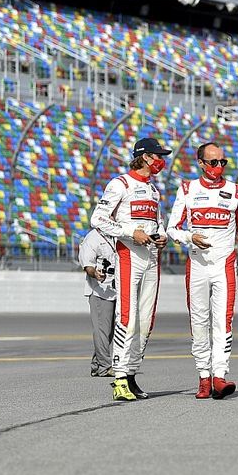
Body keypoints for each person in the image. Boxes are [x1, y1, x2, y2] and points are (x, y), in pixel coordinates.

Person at [166, 141, 238, 400]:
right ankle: (203, 377)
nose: (219, 167)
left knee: (223, 320)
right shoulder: (187, 189)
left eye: (223, 162)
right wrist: (188, 237)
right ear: (201, 163)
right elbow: (171, 228)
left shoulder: (236, 191)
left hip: (224, 266)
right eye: (214, 162)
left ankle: (219, 375)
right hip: (196, 264)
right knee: (199, 321)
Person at [90, 137, 169, 401]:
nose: (162, 161)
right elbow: (98, 219)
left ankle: (132, 375)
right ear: (145, 157)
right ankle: (119, 378)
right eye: (158, 156)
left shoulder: (154, 190)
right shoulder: (120, 183)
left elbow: (158, 223)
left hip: (152, 258)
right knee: (127, 317)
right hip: (128, 257)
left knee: (146, 321)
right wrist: (128, 232)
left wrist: (162, 236)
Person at [78, 228, 116, 378]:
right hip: (99, 290)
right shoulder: (92, 237)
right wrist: (94, 273)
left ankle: (97, 365)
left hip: (115, 289)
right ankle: (105, 367)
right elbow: (87, 264)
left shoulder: (117, 234)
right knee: (102, 331)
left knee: (108, 332)